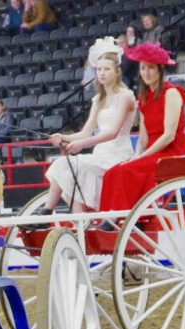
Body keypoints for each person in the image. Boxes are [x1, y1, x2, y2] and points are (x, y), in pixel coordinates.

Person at [40, 42, 136, 214]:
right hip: (101, 153)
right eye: (99, 69)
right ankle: (51, 211)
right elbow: (85, 132)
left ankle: (69, 217)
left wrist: (83, 144)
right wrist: (63, 137)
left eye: (106, 69)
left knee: (69, 167)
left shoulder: (126, 96)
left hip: (118, 154)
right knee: (61, 166)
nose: (102, 73)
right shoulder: (98, 99)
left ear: (116, 71)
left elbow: (112, 133)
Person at [100, 42, 185, 211]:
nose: (146, 72)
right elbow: (143, 139)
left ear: (160, 70)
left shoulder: (171, 93)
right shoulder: (143, 98)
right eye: (143, 68)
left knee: (129, 170)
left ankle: (127, 214)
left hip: (172, 152)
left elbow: (169, 135)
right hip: (152, 151)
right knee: (113, 172)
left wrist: (142, 157)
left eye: (151, 68)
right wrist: (136, 156)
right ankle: (110, 216)